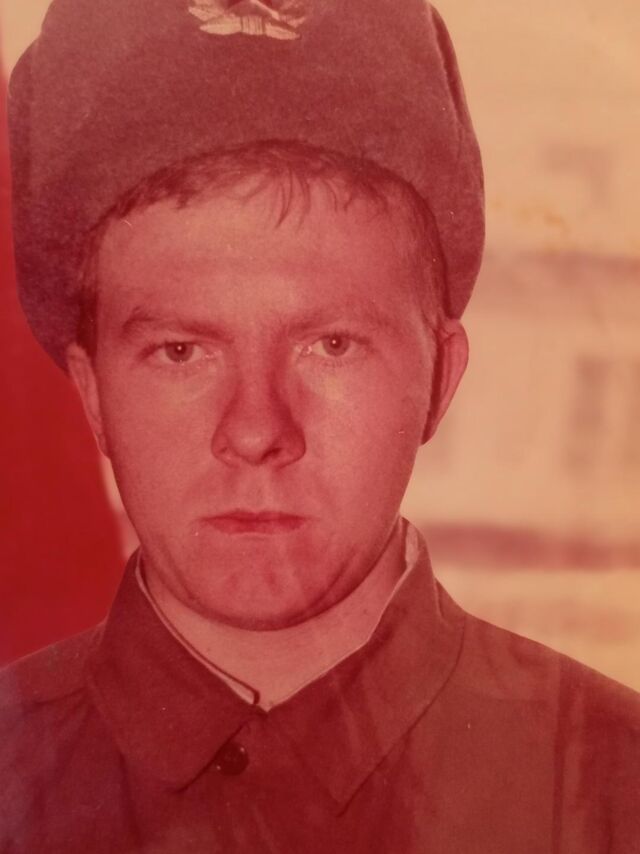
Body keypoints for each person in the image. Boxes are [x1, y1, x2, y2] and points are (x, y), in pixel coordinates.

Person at [1, 0, 638, 851]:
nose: (255, 430)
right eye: (181, 351)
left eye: (331, 345)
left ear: (439, 380)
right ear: (91, 397)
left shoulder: (616, 790)